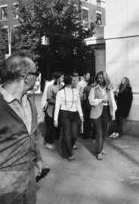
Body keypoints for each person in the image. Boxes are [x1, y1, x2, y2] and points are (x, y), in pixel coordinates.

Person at [0, 53, 45, 204]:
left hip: (30, 176)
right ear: (26, 76)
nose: (37, 77)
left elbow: (34, 133)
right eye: (36, 73)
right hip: (6, 185)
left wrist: (38, 158)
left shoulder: (30, 101)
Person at [54, 75, 83, 161]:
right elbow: (57, 107)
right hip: (64, 114)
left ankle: (68, 146)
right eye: (74, 81)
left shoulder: (76, 91)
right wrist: (55, 119)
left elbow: (78, 104)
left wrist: (81, 115)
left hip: (75, 114)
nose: (75, 82)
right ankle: (70, 153)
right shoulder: (61, 92)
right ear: (70, 82)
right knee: (67, 134)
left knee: (74, 135)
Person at [89, 71, 116, 160]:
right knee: (99, 133)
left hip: (106, 111)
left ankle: (100, 148)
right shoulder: (94, 88)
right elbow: (91, 101)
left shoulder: (109, 88)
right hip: (96, 112)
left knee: (104, 133)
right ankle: (99, 152)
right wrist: (101, 100)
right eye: (98, 78)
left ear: (105, 78)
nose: (99, 79)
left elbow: (112, 101)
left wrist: (113, 113)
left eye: (101, 78)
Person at [44, 71, 64, 149]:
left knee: (57, 127)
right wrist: (58, 102)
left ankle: (55, 140)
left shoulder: (63, 87)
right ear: (58, 78)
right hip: (51, 110)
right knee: (50, 127)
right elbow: (49, 99)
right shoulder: (50, 87)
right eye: (62, 77)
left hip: (60, 111)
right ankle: (48, 141)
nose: (63, 78)